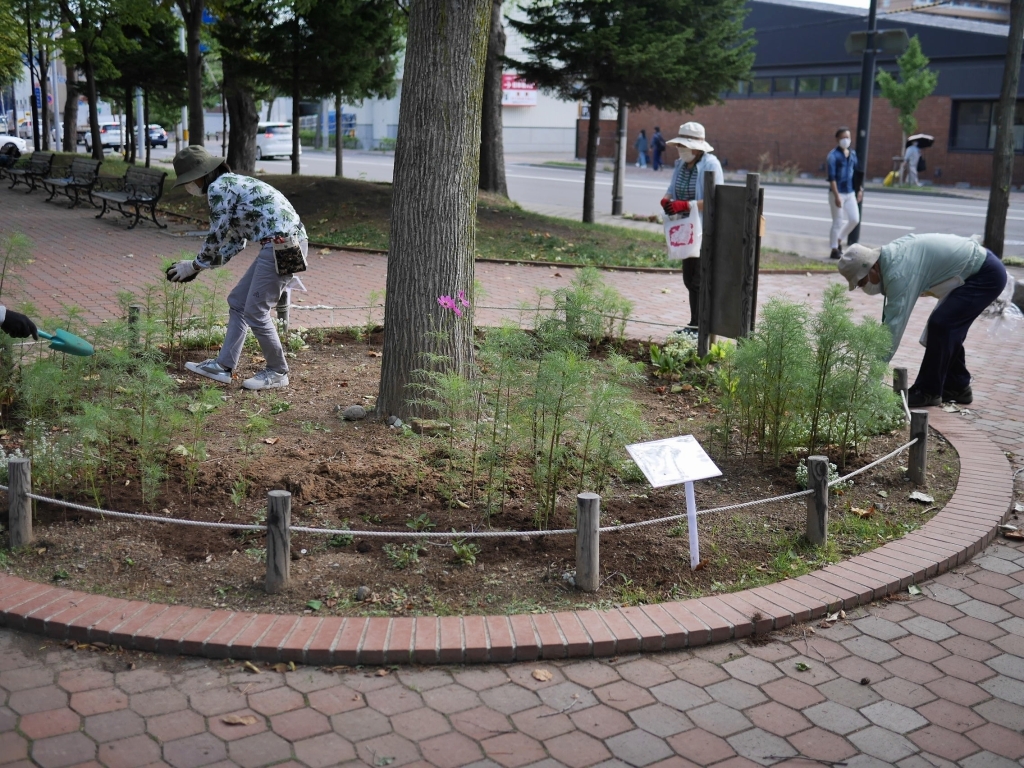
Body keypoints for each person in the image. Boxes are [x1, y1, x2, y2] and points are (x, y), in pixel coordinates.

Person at [166, 145, 308, 391]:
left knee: (255, 311)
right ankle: (222, 366)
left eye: (188, 181)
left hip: (281, 245)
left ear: (200, 175)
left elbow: (217, 234)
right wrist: (200, 267)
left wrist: (195, 265)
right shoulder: (233, 183)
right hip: (283, 243)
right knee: (239, 303)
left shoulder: (218, 188)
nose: (189, 187)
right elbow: (236, 241)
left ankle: (277, 371)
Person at [837, 234, 1006, 408]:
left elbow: (892, 329)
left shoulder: (899, 272)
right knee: (946, 327)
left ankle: (927, 391)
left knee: (942, 325)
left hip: (986, 274)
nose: (863, 287)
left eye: (861, 282)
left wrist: (871, 381)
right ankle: (957, 386)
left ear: (872, 268)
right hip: (979, 268)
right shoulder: (891, 259)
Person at [659, 122, 724, 334]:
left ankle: (700, 326)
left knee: (699, 279)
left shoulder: (711, 164)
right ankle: (694, 323)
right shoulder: (680, 164)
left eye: (684, 146)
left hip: (704, 229)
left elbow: (715, 198)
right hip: (684, 229)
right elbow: (671, 189)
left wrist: (687, 205)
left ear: (697, 147)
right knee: (689, 278)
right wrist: (667, 200)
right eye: (679, 145)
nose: (680, 149)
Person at [826, 127, 862, 260]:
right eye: (842, 138)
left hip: (850, 191)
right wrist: (836, 196)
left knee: (854, 219)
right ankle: (834, 249)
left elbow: (856, 173)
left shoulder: (852, 154)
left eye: (847, 137)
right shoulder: (833, 156)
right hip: (838, 192)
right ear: (837, 139)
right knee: (838, 221)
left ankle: (839, 239)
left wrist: (859, 189)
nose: (845, 140)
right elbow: (832, 178)